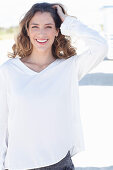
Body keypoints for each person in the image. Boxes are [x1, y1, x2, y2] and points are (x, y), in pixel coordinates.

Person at [0, 2, 108, 170]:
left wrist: (68, 22)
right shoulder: (9, 71)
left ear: (58, 31)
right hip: (19, 165)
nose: (41, 33)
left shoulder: (69, 68)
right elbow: (1, 124)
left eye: (48, 26)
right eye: (35, 26)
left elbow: (100, 46)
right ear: (27, 31)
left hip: (60, 163)